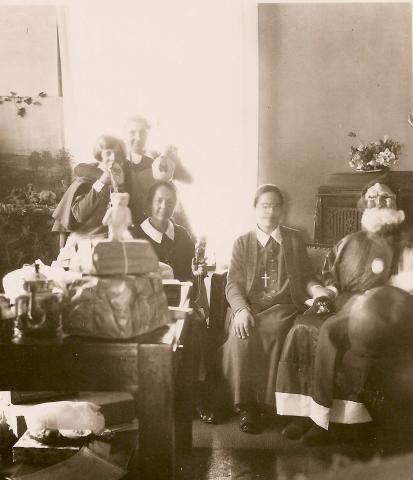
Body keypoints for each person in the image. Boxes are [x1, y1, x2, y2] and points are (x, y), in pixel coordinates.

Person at [275, 175, 409, 445]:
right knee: (302, 327)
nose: (378, 203)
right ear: (363, 204)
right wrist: (328, 294)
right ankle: (303, 414)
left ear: (396, 203)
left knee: (331, 333)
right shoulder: (350, 241)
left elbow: (407, 283)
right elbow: (330, 277)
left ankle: (329, 422)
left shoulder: (407, 241)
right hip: (342, 302)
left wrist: (380, 296)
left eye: (385, 198)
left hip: (382, 311)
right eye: (372, 199)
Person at [220, 184, 329, 434]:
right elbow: (233, 284)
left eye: (276, 206)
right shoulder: (241, 243)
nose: (270, 211)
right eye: (265, 205)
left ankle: (274, 406)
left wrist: (318, 291)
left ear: (283, 209)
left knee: (281, 332)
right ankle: (246, 406)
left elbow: (306, 277)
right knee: (243, 337)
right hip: (249, 309)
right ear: (255, 208)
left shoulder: (293, 239)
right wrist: (240, 310)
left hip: (285, 308)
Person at [135, 180, 214, 422]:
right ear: (150, 203)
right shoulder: (134, 235)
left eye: (169, 201)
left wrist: (196, 273)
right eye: (159, 200)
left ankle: (193, 395)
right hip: (144, 304)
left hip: (179, 303)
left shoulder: (182, 235)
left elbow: (189, 276)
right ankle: (155, 400)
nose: (164, 206)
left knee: (196, 327)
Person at [52, 135, 127, 264]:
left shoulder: (120, 180)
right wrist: (102, 182)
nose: (113, 158)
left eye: (118, 154)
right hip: (83, 247)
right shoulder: (86, 180)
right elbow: (79, 214)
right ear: (99, 154)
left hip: (108, 248)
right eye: (108, 153)